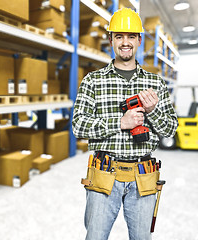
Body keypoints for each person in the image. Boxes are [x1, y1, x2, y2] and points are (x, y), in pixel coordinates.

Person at [72, 8, 178, 240]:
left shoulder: (155, 82)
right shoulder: (93, 80)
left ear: (139, 40)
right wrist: (120, 122)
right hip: (104, 173)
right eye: (119, 36)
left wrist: (153, 111)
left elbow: (170, 128)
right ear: (110, 40)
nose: (125, 42)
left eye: (131, 36)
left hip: (144, 176)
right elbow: (78, 125)